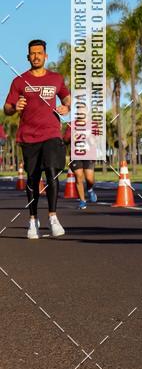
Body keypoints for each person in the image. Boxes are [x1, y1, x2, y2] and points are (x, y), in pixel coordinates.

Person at [3, 40, 70, 239]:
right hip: (28, 135)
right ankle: (33, 220)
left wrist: (66, 106)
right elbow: (7, 107)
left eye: (39, 53)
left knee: (51, 172)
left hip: (51, 132)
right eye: (32, 53)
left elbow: (66, 96)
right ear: (28, 57)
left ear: (45, 56)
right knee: (32, 178)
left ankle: (53, 217)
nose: (36, 56)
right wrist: (15, 107)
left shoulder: (56, 78)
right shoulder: (19, 81)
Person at [63, 123, 97, 210]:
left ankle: (90, 189)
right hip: (76, 155)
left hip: (89, 154)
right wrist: (71, 137)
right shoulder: (71, 124)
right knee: (79, 176)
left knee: (89, 178)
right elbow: (65, 139)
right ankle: (82, 201)